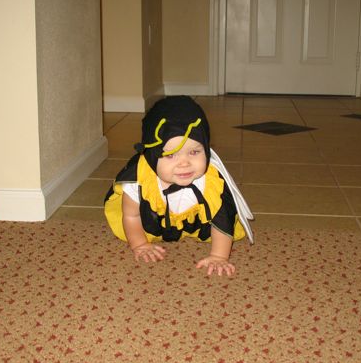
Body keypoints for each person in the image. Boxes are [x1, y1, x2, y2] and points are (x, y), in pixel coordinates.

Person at [104, 96, 253, 276]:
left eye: (194, 152)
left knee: (225, 221)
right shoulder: (140, 180)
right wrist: (140, 245)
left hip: (197, 223)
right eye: (170, 155)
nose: (184, 163)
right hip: (154, 222)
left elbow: (222, 219)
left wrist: (218, 256)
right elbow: (131, 215)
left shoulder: (211, 181)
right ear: (152, 155)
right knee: (131, 225)